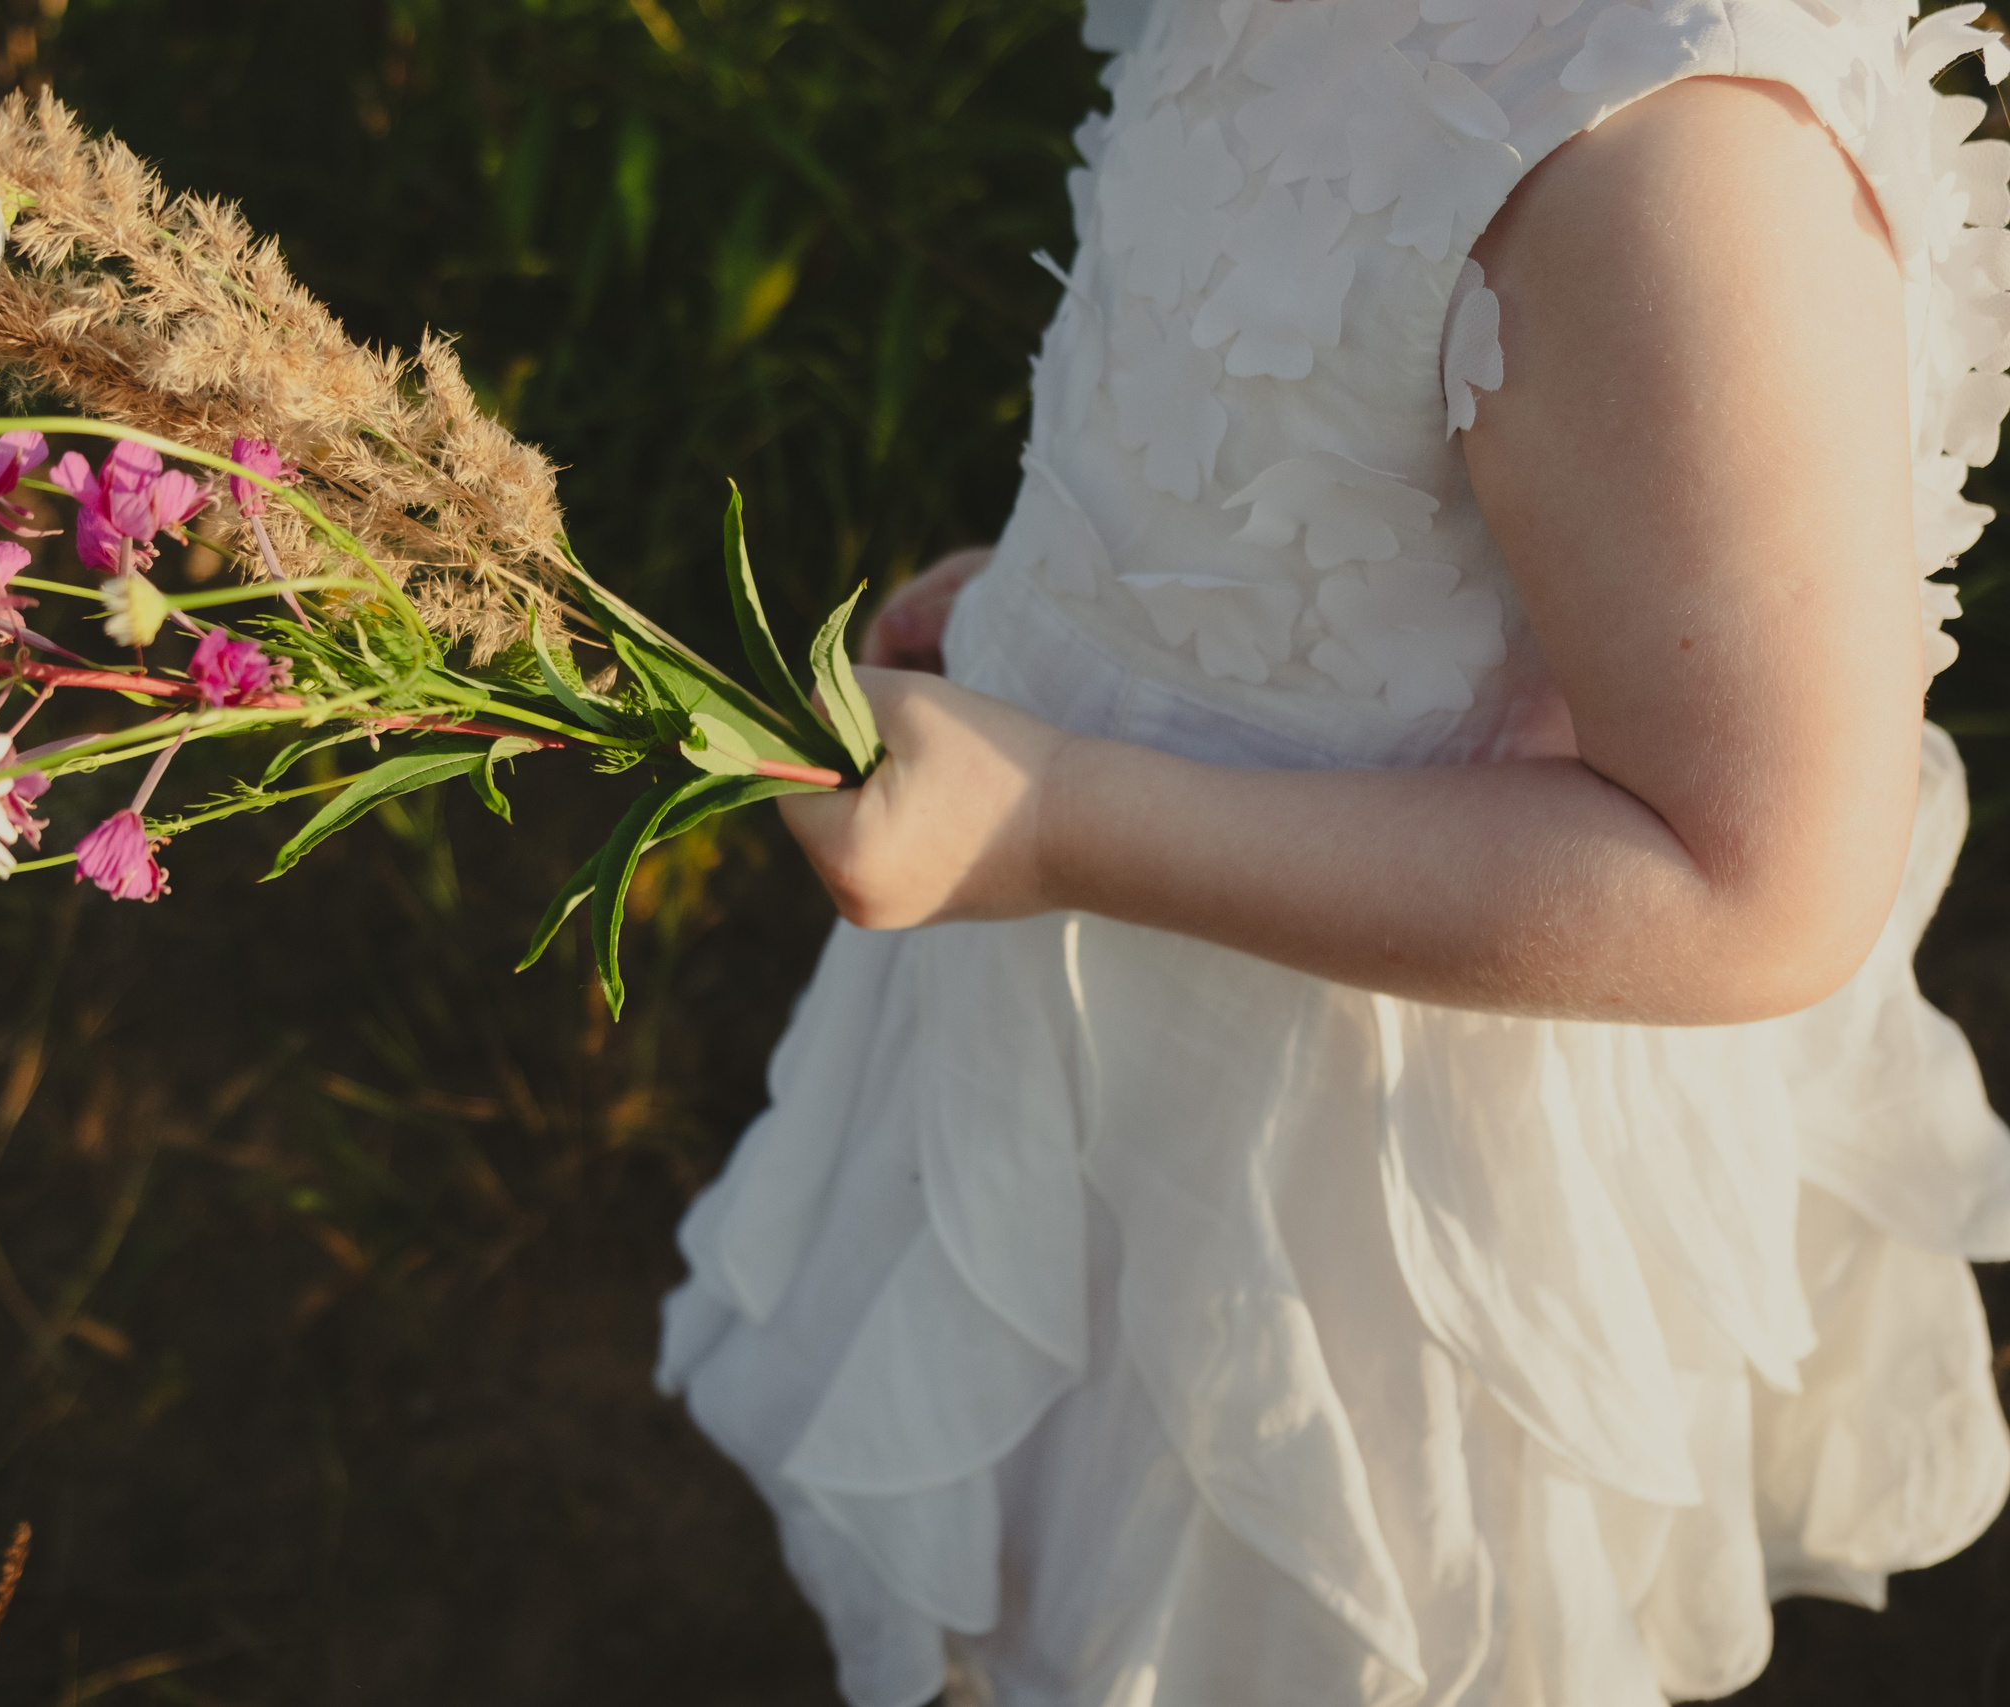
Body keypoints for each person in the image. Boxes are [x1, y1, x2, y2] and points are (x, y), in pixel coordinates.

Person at [657, 0, 2010, 1702]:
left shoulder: (1674, 165)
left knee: (1269, 1607)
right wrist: (1073, 598)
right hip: (1090, 981)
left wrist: (1060, 814)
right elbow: (1306, 398)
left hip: (1360, 1169)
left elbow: (1755, 883)